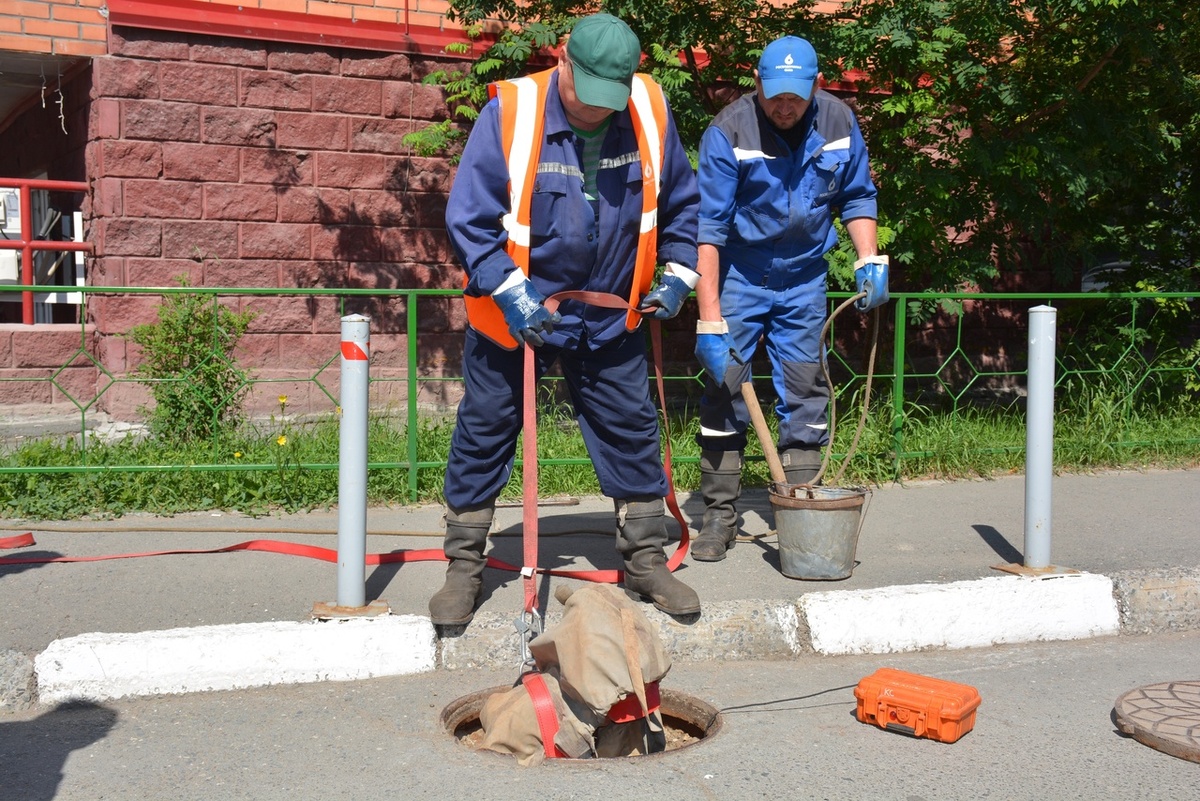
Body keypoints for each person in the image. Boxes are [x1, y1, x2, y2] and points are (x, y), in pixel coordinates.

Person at [432, 13, 703, 625]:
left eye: (614, 97)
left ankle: (644, 560)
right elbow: (471, 220)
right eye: (589, 95)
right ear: (562, 63)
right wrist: (510, 291)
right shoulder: (511, 111)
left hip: (608, 314)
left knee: (632, 429)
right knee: (484, 430)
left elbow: (683, 204)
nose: (599, 111)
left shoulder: (649, 109)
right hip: (516, 313)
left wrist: (681, 274)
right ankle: (464, 567)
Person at [689, 35, 889, 562]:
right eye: (773, 94)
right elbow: (705, 229)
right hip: (739, 273)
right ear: (756, 83)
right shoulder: (728, 131)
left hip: (804, 277)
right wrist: (710, 319)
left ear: (816, 87)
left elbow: (858, 194)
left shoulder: (840, 123)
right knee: (724, 388)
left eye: (795, 97)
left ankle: (801, 504)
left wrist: (868, 258)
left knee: (805, 386)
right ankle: (719, 515)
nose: (783, 106)